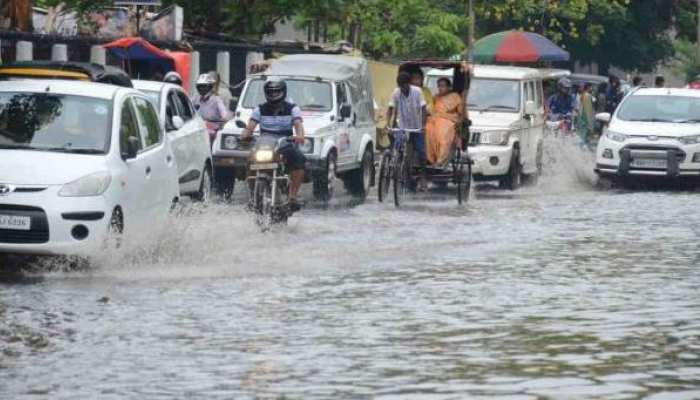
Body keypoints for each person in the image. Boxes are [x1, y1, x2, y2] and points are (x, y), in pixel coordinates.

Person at [241, 80, 306, 211]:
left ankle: (292, 196)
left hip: (284, 144)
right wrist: (245, 135)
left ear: (283, 92)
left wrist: (299, 136)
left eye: (276, 91)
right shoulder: (259, 109)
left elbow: (298, 125)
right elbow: (250, 127)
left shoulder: (292, 108)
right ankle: (253, 196)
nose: (273, 94)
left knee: (299, 159)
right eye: (270, 92)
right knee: (249, 161)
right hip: (264, 145)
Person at [386, 71, 428, 191]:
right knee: (398, 149)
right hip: (402, 126)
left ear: (409, 84)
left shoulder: (417, 92)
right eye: (400, 86)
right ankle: (399, 170)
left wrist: (423, 125)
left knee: (421, 152)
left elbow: (423, 108)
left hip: (416, 127)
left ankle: (423, 177)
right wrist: (388, 123)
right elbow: (390, 108)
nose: (402, 88)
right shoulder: (396, 92)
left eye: (404, 85)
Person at [425, 77, 463, 166]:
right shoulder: (435, 97)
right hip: (434, 119)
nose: (440, 88)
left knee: (443, 133)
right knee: (427, 129)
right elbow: (431, 109)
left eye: (443, 86)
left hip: (449, 121)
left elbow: (460, 113)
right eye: (439, 86)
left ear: (449, 87)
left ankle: (440, 160)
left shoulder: (455, 96)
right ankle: (430, 158)